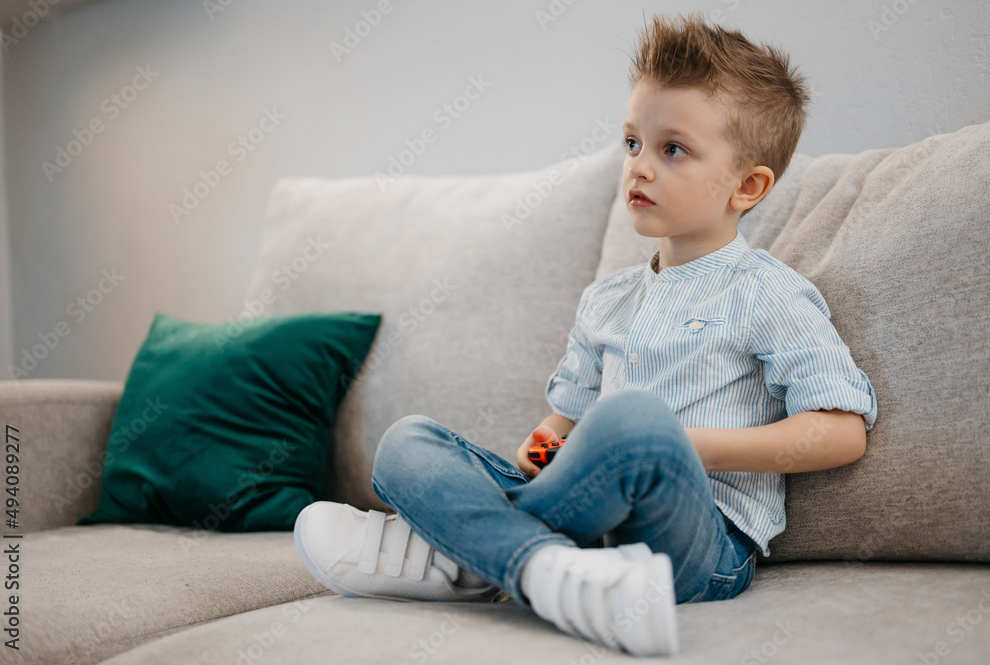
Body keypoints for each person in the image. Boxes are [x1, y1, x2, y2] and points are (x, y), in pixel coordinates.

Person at [292, 11, 878, 658]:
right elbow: (560, 425)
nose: (639, 167)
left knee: (632, 421)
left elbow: (844, 431)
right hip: (590, 520)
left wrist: (689, 446)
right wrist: (541, 447)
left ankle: (469, 554)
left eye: (672, 149)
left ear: (748, 185)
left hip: (700, 541)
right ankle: (546, 568)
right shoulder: (607, 300)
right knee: (405, 444)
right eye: (632, 143)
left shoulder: (768, 291)